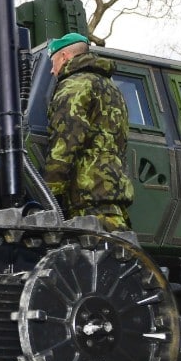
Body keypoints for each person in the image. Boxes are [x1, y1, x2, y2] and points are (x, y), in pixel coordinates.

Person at [44, 32, 134, 231]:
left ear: (65, 56)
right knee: (118, 251)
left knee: (94, 255)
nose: (52, 70)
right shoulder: (112, 89)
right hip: (111, 189)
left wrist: (50, 190)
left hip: (85, 192)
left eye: (54, 62)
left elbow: (66, 140)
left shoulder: (75, 85)